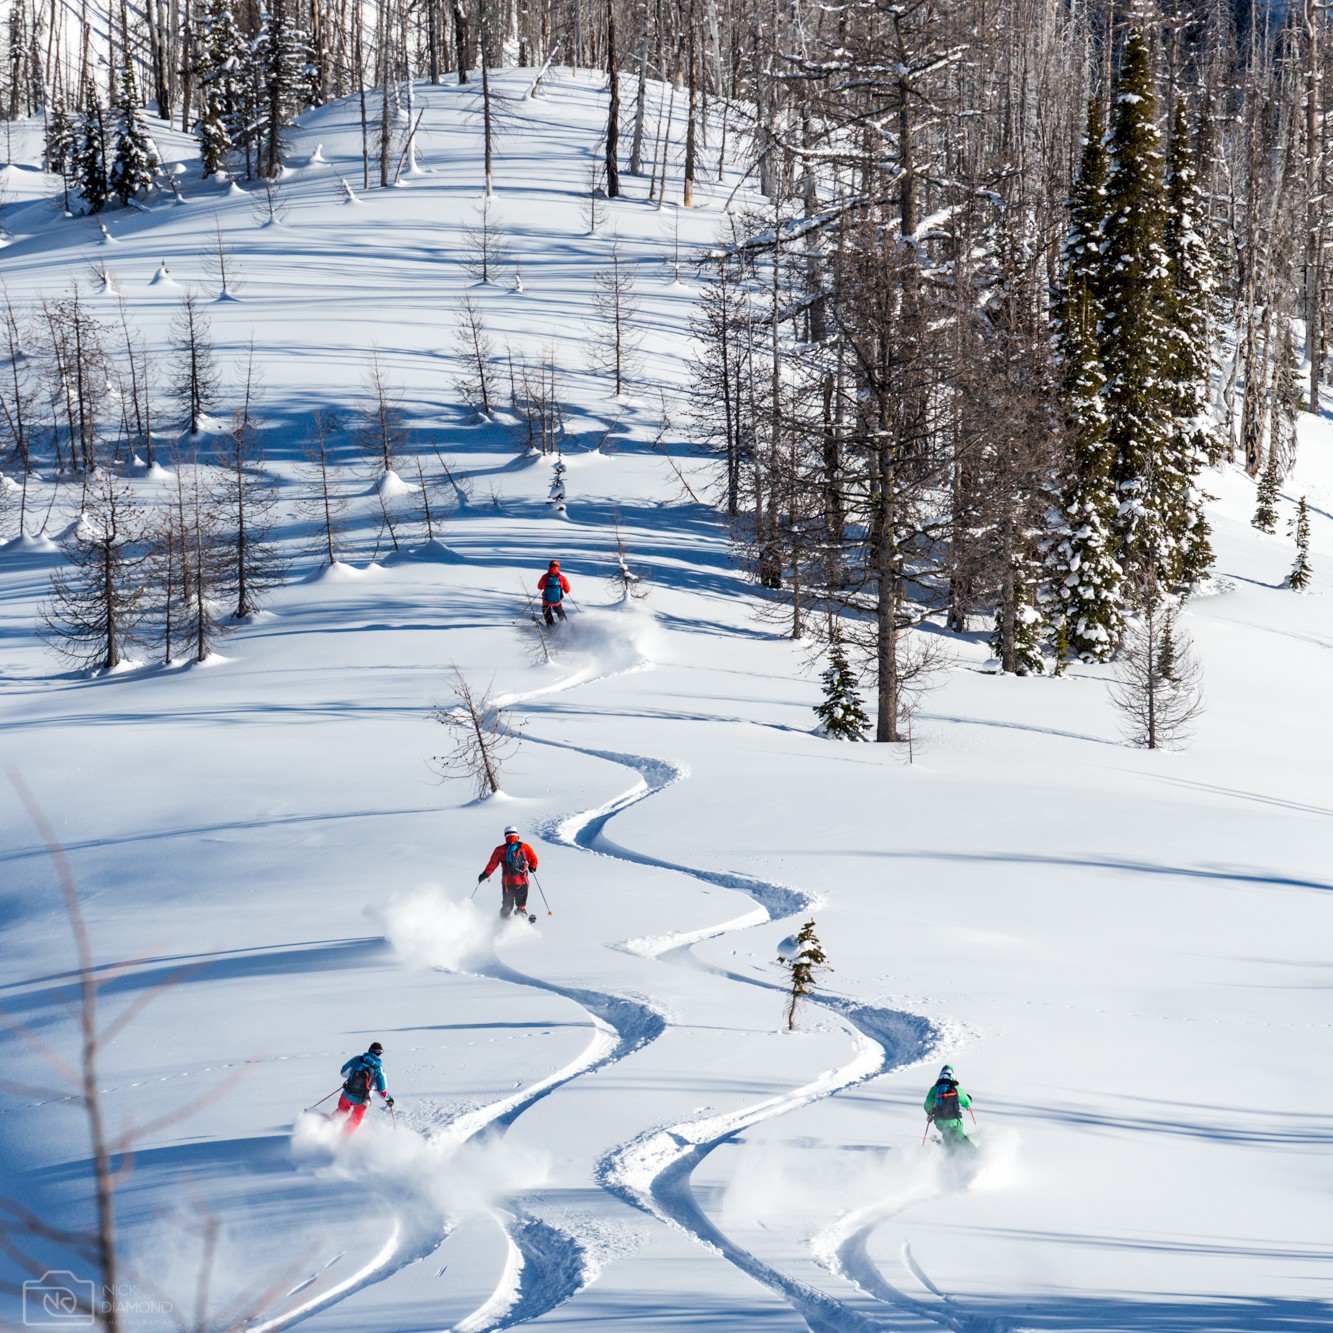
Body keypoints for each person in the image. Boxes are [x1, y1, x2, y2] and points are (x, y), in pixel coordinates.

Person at [479, 825, 539, 920]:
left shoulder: (500, 850)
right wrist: (533, 867)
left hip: (507, 883)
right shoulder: (525, 847)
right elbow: (534, 860)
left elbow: (492, 864)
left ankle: (502, 922)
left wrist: (484, 875)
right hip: (522, 882)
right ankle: (521, 921)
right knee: (521, 905)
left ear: (505, 836)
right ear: (517, 835)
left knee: (507, 906)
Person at [334, 1041, 393, 1134]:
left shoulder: (357, 1059)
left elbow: (343, 1073)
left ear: (369, 1050)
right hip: (362, 1099)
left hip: (347, 1093)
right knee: (356, 1118)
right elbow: (382, 1091)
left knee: (341, 1110)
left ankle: (329, 1127)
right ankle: (343, 1138)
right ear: (380, 1053)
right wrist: (389, 1099)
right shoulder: (379, 1070)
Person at [924, 1063, 975, 1151]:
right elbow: (967, 1102)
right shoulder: (956, 1087)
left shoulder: (935, 1088)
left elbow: (928, 1104)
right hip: (954, 1121)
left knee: (948, 1136)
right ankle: (974, 1154)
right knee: (961, 1138)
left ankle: (947, 1152)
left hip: (940, 1121)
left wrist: (930, 1112)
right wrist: (969, 1101)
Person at [537, 560, 570, 627]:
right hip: (557, 600)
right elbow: (567, 590)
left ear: (549, 566)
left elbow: (539, 587)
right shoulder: (561, 577)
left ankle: (550, 625)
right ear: (558, 567)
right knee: (559, 611)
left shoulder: (545, 577)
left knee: (546, 611)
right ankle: (565, 624)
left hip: (546, 599)